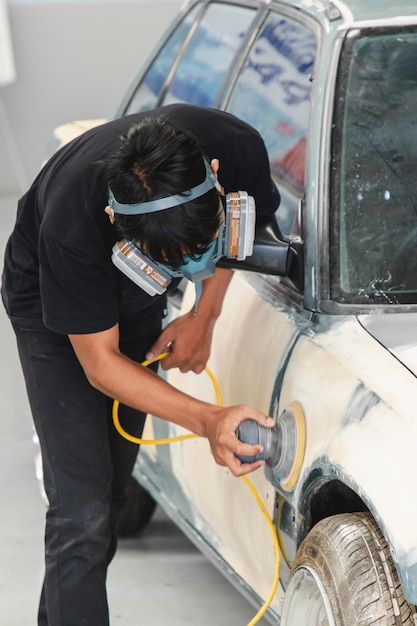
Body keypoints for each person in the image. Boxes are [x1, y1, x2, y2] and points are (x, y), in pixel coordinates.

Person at [1, 103, 280, 626]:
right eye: (177, 261)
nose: (198, 263)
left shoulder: (233, 145)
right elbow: (101, 365)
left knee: (110, 495)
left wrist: (205, 313)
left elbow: (242, 230)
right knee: (82, 510)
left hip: (138, 297)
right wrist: (209, 420)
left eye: (205, 243)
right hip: (53, 307)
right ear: (117, 222)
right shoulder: (73, 225)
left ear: (214, 175)